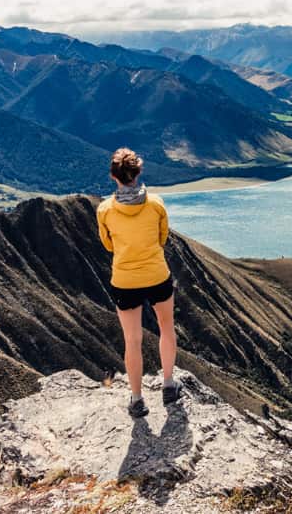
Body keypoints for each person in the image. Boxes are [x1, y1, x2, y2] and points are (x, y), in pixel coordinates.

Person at [97, 147, 182, 417]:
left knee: (132, 340)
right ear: (138, 173)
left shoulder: (105, 210)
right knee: (166, 328)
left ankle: (136, 399)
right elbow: (162, 237)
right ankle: (168, 385)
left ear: (114, 176)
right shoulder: (156, 203)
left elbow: (108, 244)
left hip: (124, 280)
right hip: (157, 275)